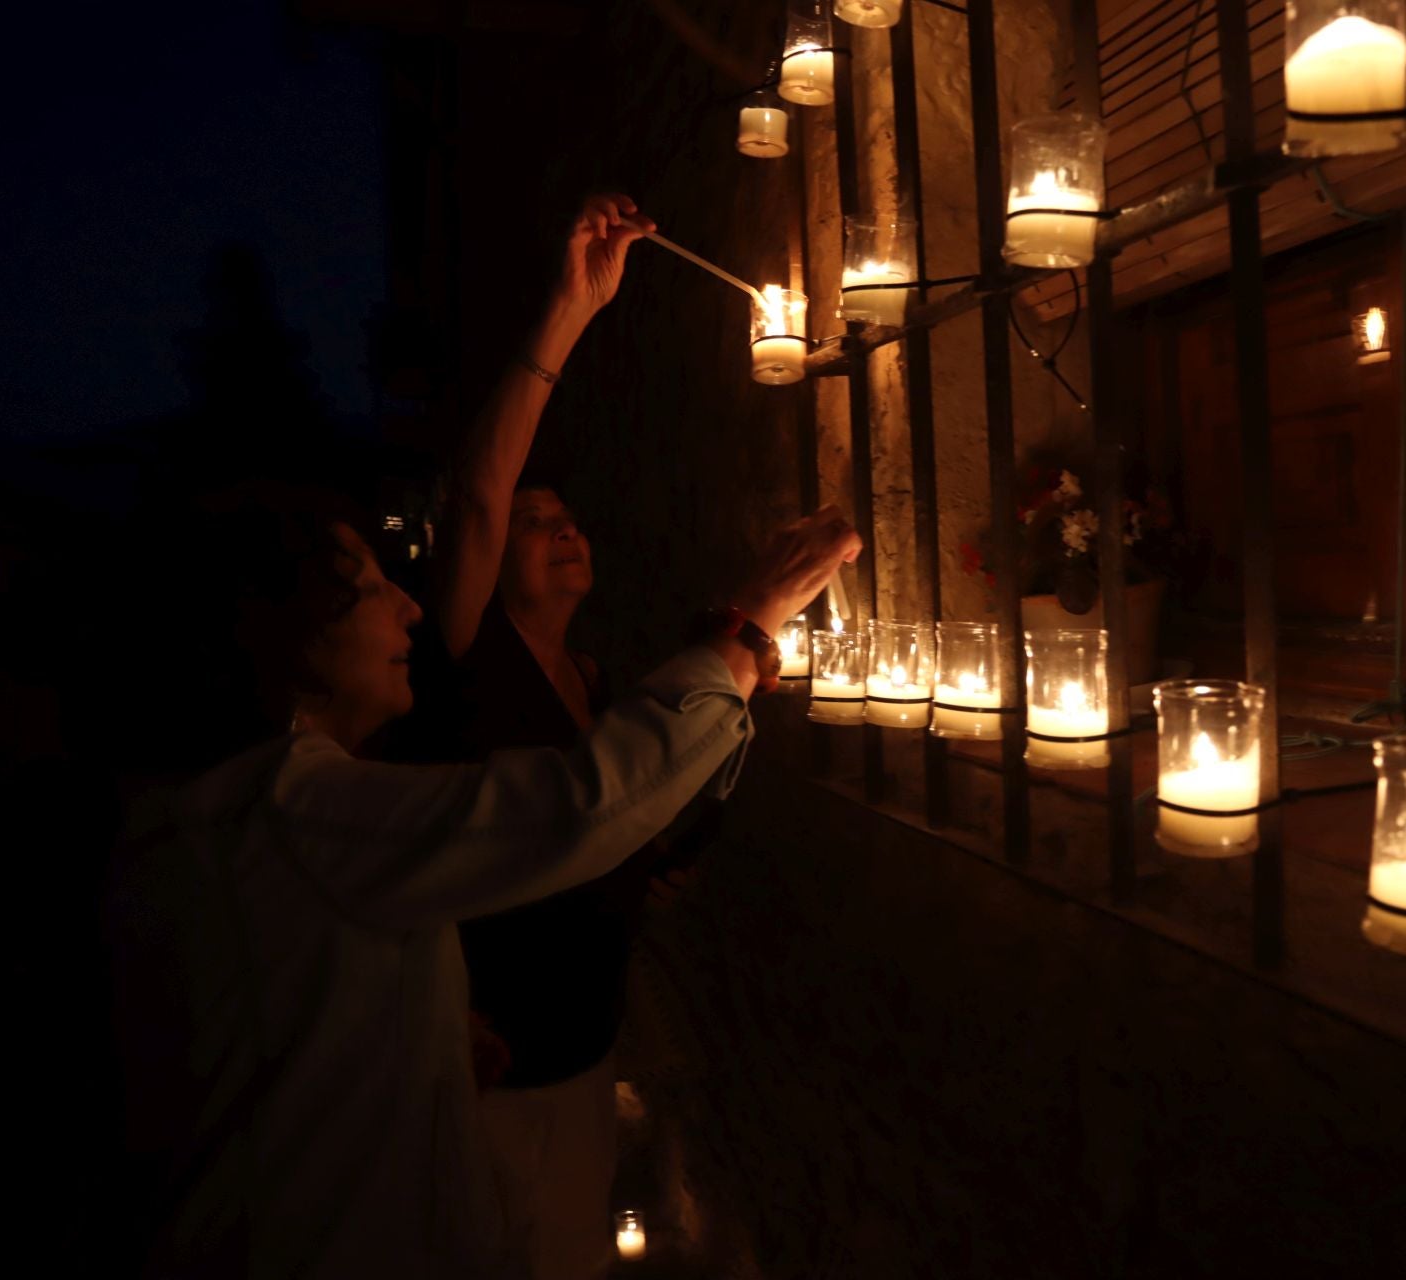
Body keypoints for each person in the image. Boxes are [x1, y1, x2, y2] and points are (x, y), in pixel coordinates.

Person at [104, 431, 861, 1272]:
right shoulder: (289, 804)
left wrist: (417, 1022)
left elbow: (284, 992)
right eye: (367, 590)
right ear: (282, 630)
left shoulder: (236, 810)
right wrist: (747, 622)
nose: (409, 608)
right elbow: (575, 806)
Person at [382, 193, 689, 1279]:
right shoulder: (470, 656)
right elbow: (474, 493)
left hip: (586, 1053)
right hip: (488, 1069)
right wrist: (572, 308)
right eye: (536, 520)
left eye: (569, 518)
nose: (563, 530)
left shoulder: (596, 680)